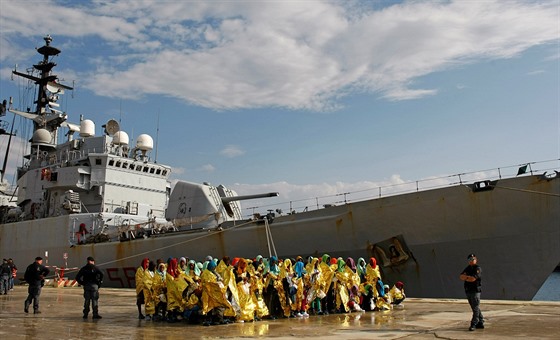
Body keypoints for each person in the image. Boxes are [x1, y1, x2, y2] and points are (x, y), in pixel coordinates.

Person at [460, 253, 484, 331]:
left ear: (476, 260)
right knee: (474, 307)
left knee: (475, 307)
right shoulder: (467, 268)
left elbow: (473, 278)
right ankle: (480, 322)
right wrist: (468, 278)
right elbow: (461, 276)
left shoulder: (478, 268)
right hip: (468, 290)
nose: (471, 261)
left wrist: (466, 277)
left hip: (475, 291)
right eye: (470, 259)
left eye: (473, 259)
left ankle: (474, 323)